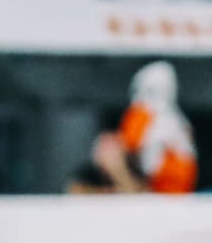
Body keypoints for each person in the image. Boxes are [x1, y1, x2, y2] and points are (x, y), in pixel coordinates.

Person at [78, 60, 197, 194]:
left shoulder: (147, 114)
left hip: (160, 187)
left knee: (111, 156)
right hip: (165, 185)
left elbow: (129, 144)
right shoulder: (174, 119)